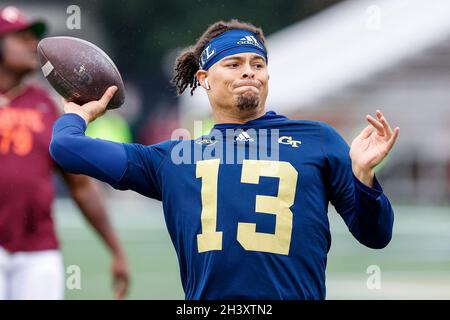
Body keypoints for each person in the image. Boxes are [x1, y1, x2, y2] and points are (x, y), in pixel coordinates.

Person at [50, 19, 399, 300]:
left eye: (257, 64)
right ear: (204, 79)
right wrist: (79, 113)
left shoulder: (317, 139)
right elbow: (66, 147)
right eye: (233, 64)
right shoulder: (176, 156)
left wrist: (364, 177)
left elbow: (376, 235)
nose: (249, 71)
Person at [0, 6, 129, 300]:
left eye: (32, 37)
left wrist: (115, 248)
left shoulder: (48, 106)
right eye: (20, 38)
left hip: (38, 249)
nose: (32, 45)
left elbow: (80, 186)